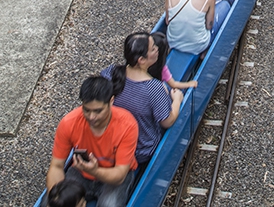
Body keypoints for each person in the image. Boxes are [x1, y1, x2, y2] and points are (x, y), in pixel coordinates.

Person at [46, 76, 138, 207]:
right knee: (50, 202)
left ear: (111, 101)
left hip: (113, 177)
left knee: (109, 204)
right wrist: (57, 200)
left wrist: (94, 171)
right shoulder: (69, 123)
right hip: (80, 173)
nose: (91, 117)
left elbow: (120, 175)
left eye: (98, 111)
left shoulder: (127, 125)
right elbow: (56, 166)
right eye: (87, 110)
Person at [101, 33, 183, 169]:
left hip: (112, 143)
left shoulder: (110, 72)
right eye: (152, 48)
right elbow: (167, 122)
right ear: (141, 60)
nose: (157, 48)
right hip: (140, 150)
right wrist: (177, 100)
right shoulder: (154, 88)